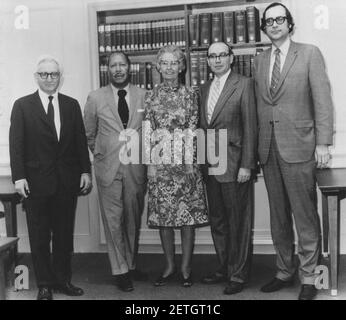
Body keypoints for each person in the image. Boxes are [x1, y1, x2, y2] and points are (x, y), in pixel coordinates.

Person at [253, 2, 334, 300]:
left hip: (300, 147)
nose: (274, 24)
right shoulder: (260, 61)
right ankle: (284, 270)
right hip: (268, 149)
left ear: (289, 24)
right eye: (268, 21)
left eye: (279, 19)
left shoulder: (310, 53)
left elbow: (323, 100)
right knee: (278, 217)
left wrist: (323, 142)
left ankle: (311, 278)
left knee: (305, 216)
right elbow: (262, 106)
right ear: (264, 28)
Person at [9, 56, 92, 300]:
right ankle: (44, 284)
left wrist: (85, 171)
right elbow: (17, 145)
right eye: (44, 74)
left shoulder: (71, 105)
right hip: (35, 183)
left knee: (64, 235)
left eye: (53, 74)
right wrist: (19, 178)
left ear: (60, 77)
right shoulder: (22, 105)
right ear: (36, 77)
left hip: (66, 182)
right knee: (39, 235)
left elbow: (79, 141)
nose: (48, 78)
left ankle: (62, 281)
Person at [144, 45, 208, 287]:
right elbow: (149, 131)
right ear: (158, 67)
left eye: (174, 63)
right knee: (164, 217)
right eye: (165, 63)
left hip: (186, 163)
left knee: (187, 216)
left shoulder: (191, 93)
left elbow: (193, 129)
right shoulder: (151, 96)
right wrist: (150, 164)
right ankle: (169, 266)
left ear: (181, 67)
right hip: (160, 165)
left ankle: (186, 267)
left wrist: (190, 163)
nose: (170, 67)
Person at [84, 52, 147, 292]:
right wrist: (105, 152)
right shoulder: (95, 97)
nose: (118, 69)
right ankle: (119, 269)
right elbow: (89, 133)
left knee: (132, 217)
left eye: (122, 64)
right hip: (107, 167)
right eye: (113, 65)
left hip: (135, 167)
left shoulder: (143, 95)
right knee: (113, 220)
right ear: (107, 69)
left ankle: (130, 264)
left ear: (129, 67)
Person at [199, 42, 257, 295]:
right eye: (212, 56)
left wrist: (247, 165)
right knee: (218, 221)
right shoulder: (203, 89)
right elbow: (202, 128)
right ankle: (224, 266)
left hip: (235, 165)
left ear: (231, 58)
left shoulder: (244, 84)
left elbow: (251, 127)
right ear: (208, 61)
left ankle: (238, 274)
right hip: (210, 165)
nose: (217, 60)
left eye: (222, 55)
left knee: (238, 222)